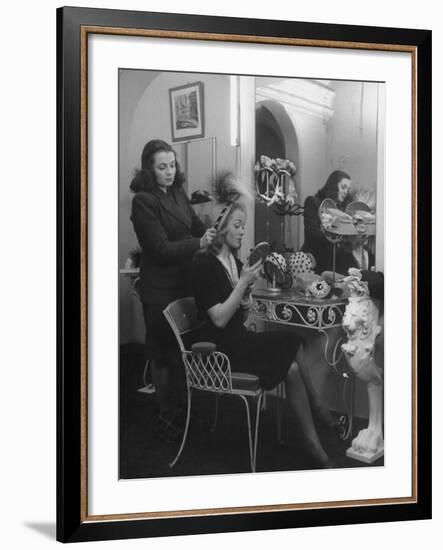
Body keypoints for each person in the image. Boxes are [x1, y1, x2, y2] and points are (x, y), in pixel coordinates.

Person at [191, 200, 334, 468]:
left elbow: (241, 316)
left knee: (292, 360)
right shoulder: (203, 264)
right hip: (219, 350)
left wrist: (245, 295)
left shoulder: (233, 260)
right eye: (237, 225)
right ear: (220, 228)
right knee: (292, 343)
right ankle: (317, 411)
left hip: (238, 339)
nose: (243, 231)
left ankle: (313, 440)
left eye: (243, 226)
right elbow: (219, 319)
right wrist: (243, 283)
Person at [130, 139, 216, 441]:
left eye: (172, 165)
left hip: (183, 284)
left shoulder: (179, 193)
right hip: (158, 289)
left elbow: (194, 226)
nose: (169, 171)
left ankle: (182, 410)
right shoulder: (143, 200)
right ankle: (166, 414)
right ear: (149, 170)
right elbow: (159, 249)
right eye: (162, 166)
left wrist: (209, 231)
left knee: (182, 353)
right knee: (162, 354)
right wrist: (199, 243)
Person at [302, 170, 352, 274]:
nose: (346, 191)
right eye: (343, 187)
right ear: (333, 186)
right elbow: (312, 232)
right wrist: (336, 234)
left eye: (348, 188)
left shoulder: (341, 209)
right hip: (314, 260)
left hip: (333, 261)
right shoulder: (313, 202)